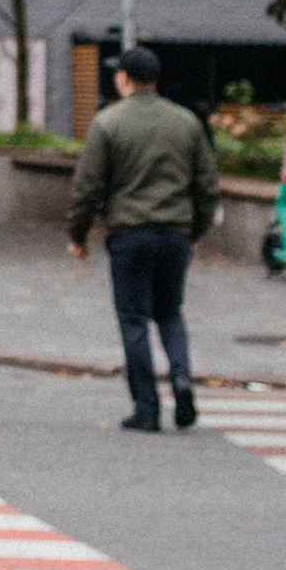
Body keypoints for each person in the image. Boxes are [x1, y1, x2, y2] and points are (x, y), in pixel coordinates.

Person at [65, 43, 220, 433]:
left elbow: (88, 185)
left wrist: (78, 233)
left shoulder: (108, 123)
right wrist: (195, 230)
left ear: (125, 79)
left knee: (133, 319)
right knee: (169, 313)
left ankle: (146, 408)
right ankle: (182, 379)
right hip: (175, 235)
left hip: (129, 235)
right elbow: (206, 185)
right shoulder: (186, 122)